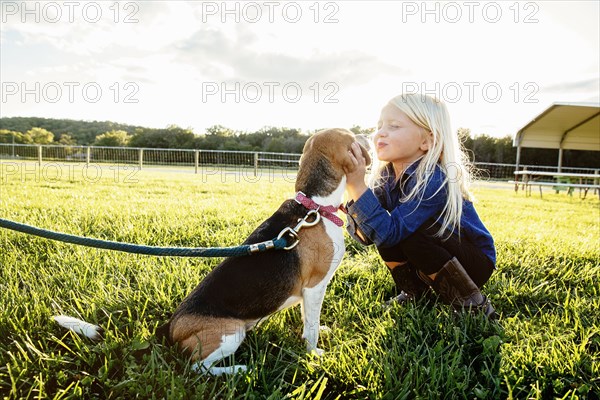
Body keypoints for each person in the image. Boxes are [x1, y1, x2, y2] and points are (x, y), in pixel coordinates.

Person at [344, 93, 496, 318]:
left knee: (406, 234)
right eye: (379, 125)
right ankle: (415, 292)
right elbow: (370, 236)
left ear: (428, 141)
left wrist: (359, 187)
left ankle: (473, 305)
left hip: (472, 262)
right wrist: (352, 191)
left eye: (394, 126)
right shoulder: (386, 177)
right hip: (434, 249)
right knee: (387, 227)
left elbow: (389, 233)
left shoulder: (435, 179)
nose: (381, 132)